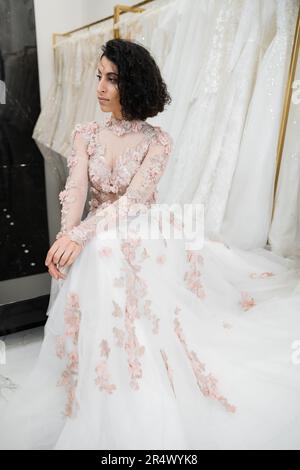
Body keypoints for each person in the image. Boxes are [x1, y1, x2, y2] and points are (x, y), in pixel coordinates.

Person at [0, 39, 300, 450]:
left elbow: (134, 201)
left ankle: (132, 376)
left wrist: (80, 236)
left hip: (142, 227)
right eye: (99, 77)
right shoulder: (85, 133)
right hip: (98, 229)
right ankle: (98, 376)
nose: (100, 88)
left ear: (134, 84)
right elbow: (75, 191)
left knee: (101, 254)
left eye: (112, 79)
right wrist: (64, 238)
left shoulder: (157, 140)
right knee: (92, 253)